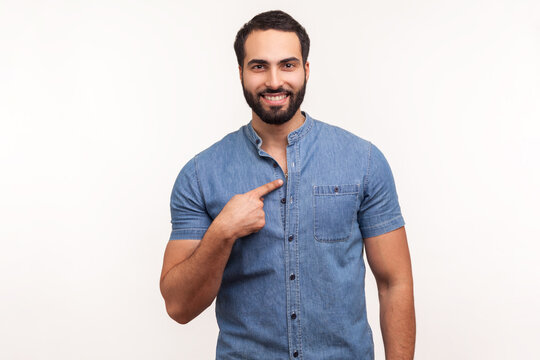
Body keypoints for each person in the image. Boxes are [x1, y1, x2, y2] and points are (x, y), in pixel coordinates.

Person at [160, 10, 415, 359]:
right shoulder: (201, 175)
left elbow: (393, 283)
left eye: (288, 65)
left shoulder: (364, 161)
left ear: (306, 70)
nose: (275, 81)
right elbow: (178, 306)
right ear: (240, 73)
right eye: (259, 66)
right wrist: (223, 231)